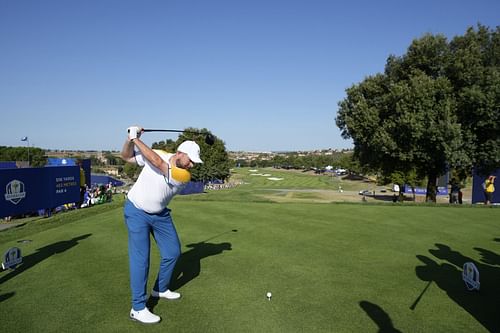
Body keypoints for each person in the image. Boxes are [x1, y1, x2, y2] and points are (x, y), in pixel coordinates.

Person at [121, 126, 203, 324]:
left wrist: (136, 139)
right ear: (180, 153)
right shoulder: (158, 153)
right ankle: (138, 308)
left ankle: (160, 289)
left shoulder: (183, 176)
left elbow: (157, 163)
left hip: (160, 215)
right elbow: (126, 157)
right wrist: (130, 139)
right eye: (190, 160)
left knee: (173, 252)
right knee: (141, 260)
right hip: (136, 211)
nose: (192, 165)